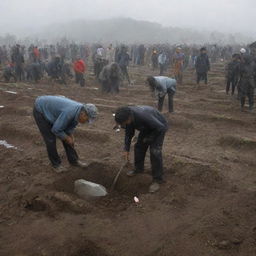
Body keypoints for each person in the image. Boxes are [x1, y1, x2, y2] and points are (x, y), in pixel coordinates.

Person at [33, 96, 98, 172]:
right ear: (83, 114)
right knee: (50, 139)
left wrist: (70, 135)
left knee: (67, 137)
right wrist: (67, 138)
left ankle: (74, 160)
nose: (86, 122)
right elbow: (56, 130)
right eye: (87, 120)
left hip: (53, 111)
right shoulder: (70, 112)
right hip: (41, 110)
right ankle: (56, 165)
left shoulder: (79, 111)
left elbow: (70, 127)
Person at [114, 106, 168, 193]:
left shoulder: (143, 116)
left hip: (159, 127)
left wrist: (150, 138)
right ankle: (138, 169)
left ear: (129, 117)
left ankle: (158, 179)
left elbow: (161, 128)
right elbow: (128, 134)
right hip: (146, 127)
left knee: (155, 152)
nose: (125, 125)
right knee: (139, 147)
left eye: (125, 123)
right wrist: (126, 149)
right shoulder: (128, 118)